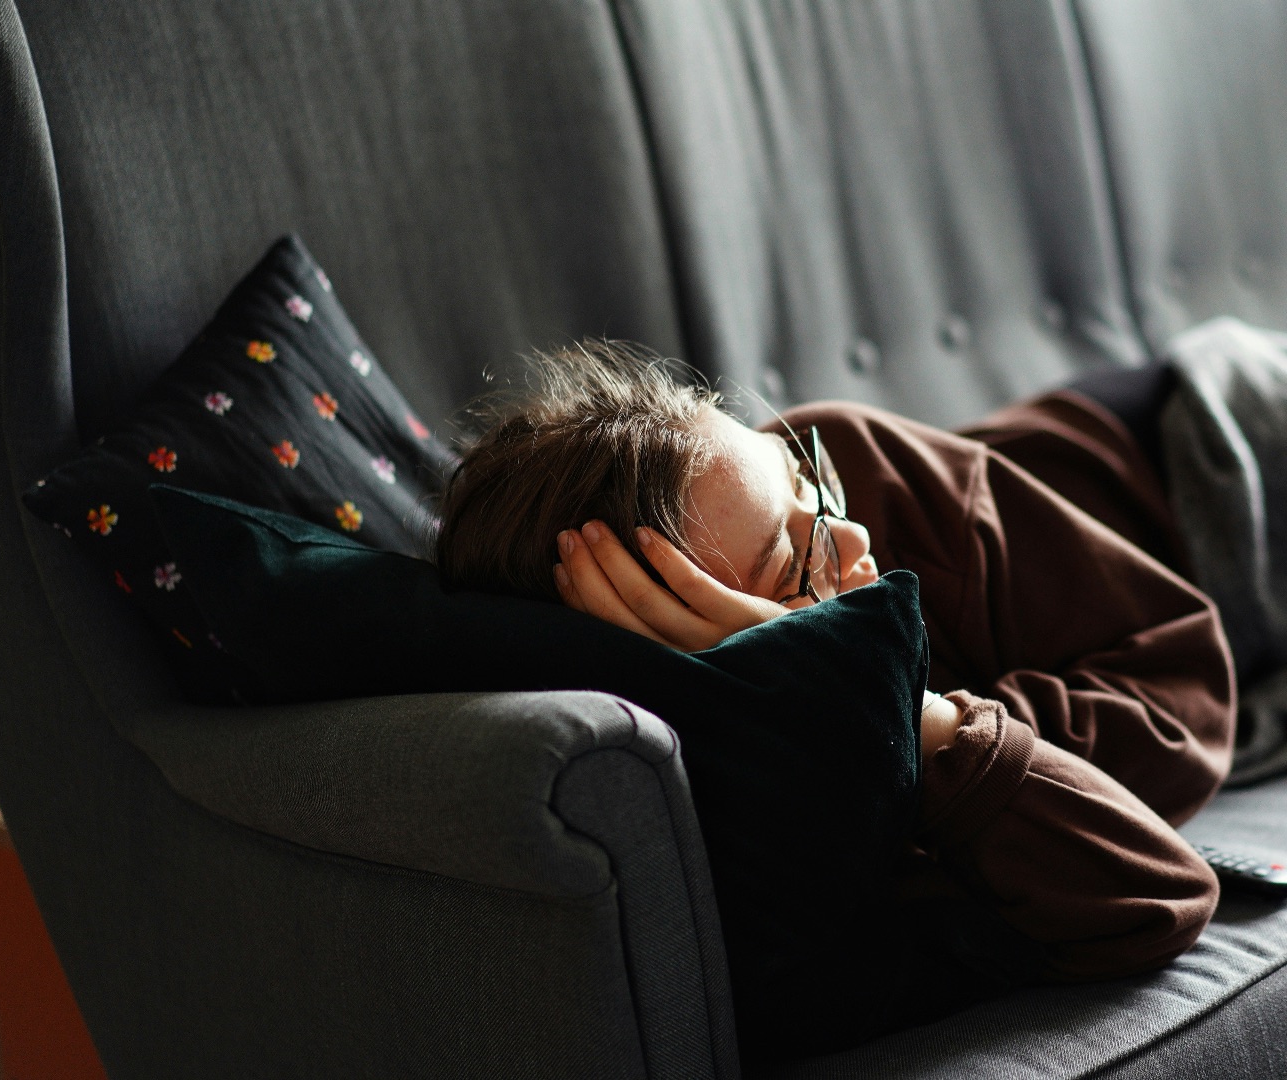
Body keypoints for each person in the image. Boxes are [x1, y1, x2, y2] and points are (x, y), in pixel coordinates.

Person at [435, 341, 1237, 993]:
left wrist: (918, 717)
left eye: (802, 479)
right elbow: (1148, 891)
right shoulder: (765, 791)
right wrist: (886, 705)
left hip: (1199, 441)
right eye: (794, 565)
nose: (851, 537)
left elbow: (1186, 692)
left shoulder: (857, 461)